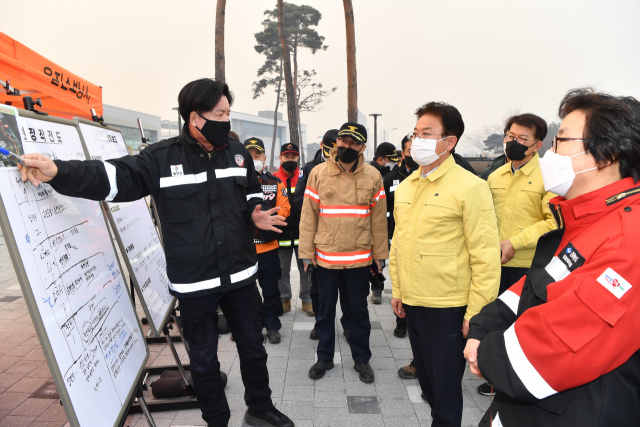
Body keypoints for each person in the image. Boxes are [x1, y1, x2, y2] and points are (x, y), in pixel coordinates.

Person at [17, 78, 294, 427]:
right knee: (205, 362)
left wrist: (254, 211)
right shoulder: (162, 159)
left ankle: (260, 408)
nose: (227, 120)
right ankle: (217, 421)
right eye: (221, 114)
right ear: (196, 118)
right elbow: (111, 177)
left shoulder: (237, 153)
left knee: (254, 349)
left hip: (240, 275)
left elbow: (252, 189)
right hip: (195, 286)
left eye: (228, 113)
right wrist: (58, 171)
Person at [464, 89, 640, 427]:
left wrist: (484, 353)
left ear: (604, 155)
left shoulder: (626, 240)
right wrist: (484, 325)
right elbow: (533, 289)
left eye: (560, 142)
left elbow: (546, 353)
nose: (550, 153)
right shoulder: (586, 221)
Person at [389, 102, 500, 427]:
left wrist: (475, 314)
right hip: (413, 302)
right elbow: (400, 244)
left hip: (448, 308)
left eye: (427, 134)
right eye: (415, 133)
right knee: (428, 387)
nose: (418, 140)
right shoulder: (408, 185)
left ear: (449, 142)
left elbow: (485, 256)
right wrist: (398, 289)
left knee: (447, 391)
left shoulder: (471, 187)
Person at [300, 122, 388, 383]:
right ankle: (324, 358)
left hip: (359, 261)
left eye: (353, 143)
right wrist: (306, 254)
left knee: (358, 313)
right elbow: (308, 217)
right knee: (324, 312)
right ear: (337, 142)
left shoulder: (373, 176)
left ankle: (362, 360)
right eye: (343, 141)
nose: (346, 146)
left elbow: (379, 221)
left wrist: (379, 256)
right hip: (326, 259)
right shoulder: (318, 173)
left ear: (362, 147)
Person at [476, 114, 558, 396]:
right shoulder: (494, 175)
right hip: (492, 263)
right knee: (493, 320)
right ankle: (495, 375)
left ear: (537, 145)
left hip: (526, 268)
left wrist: (515, 242)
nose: (513, 142)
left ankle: (516, 382)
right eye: (510, 136)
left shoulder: (548, 178)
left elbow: (554, 221)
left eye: (522, 139)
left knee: (521, 327)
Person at [294, 129, 351, 341]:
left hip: (346, 244)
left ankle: (348, 323)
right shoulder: (310, 169)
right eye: (332, 146)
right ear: (323, 147)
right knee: (319, 291)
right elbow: (301, 201)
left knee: (346, 290)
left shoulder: (349, 168)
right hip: (321, 241)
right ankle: (321, 324)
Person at [244, 138, 290, 344]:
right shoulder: (234, 183)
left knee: (271, 289)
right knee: (246, 294)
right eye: (249, 155)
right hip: (243, 250)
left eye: (257, 155)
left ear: (264, 158)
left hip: (268, 249)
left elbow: (285, 207)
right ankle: (251, 328)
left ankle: (272, 326)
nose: (254, 159)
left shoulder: (274, 182)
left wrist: (266, 216)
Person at [273, 143, 313, 316]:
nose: (290, 160)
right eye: (287, 156)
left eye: (294, 157)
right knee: (281, 270)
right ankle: (284, 300)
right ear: (280, 158)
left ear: (298, 158)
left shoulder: (306, 178)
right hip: (280, 233)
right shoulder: (273, 178)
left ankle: (307, 300)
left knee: (306, 269)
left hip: (302, 233)